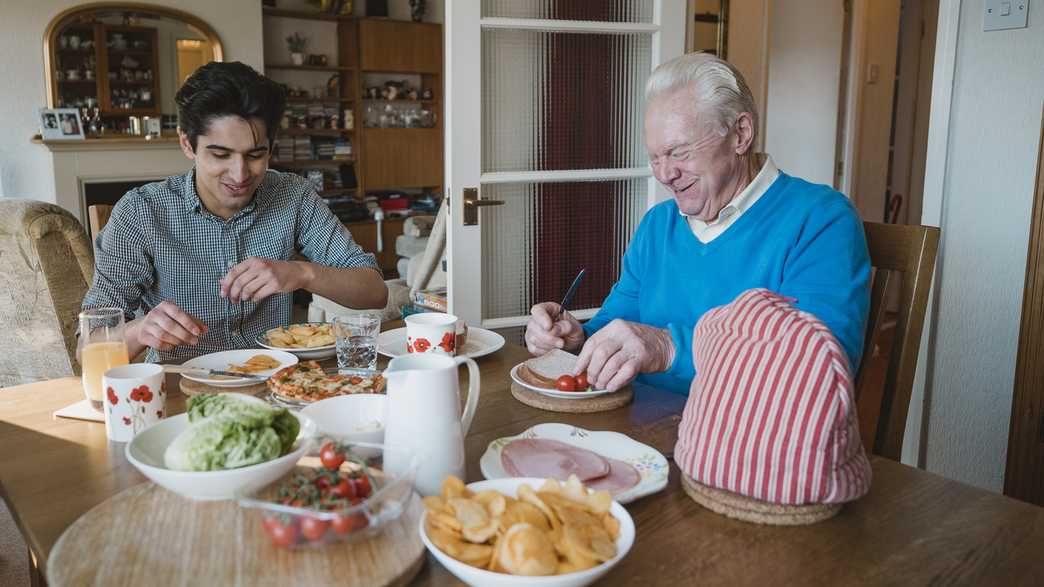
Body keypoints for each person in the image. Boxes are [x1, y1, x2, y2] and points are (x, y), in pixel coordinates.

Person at [525, 53, 870, 394]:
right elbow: (618, 321)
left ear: (740, 134)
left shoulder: (820, 220)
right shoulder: (658, 225)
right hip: (637, 432)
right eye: (655, 157)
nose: (665, 174)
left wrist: (669, 348)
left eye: (679, 152)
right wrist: (576, 338)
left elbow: (818, 368)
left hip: (741, 443)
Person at [82, 61, 387, 362]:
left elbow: (374, 292)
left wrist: (301, 273)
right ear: (187, 144)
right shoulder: (141, 212)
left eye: (255, 155)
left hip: (274, 381)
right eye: (220, 155)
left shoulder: (293, 194)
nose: (240, 175)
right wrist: (139, 330)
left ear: (271, 146)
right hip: (182, 389)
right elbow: (87, 347)